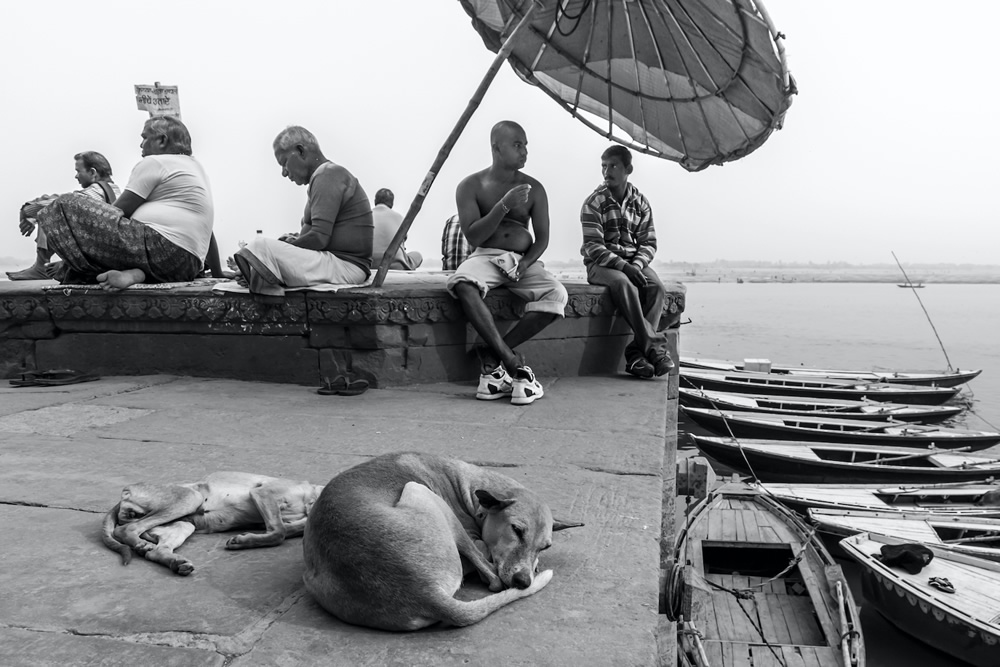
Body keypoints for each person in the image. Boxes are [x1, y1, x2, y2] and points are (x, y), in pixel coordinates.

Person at [446, 121, 567, 405]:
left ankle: (492, 352)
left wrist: (525, 264)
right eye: (517, 145)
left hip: (521, 261)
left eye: (525, 145)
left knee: (557, 295)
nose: (524, 151)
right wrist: (504, 204)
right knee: (463, 285)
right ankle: (510, 361)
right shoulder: (470, 186)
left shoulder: (534, 188)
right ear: (496, 148)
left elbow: (543, 238)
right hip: (486, 255)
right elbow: (474, 234)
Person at [37, 116, 214, 289]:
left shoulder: (156, 162)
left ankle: (58, 266)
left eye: (144, 138)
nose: (141, 144)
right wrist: (218, 271)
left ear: (162, 140)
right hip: (186, 266)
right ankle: (137, 274)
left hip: (160, 250)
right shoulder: (195, 168)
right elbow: (208, 232)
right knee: (76, 270)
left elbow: (118, 213)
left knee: (64, 203)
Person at [233, 126, 373, 296]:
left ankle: (260, 272)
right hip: (337, 264)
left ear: (300, 151)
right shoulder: (325, 175)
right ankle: (259, 271)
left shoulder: (327, 175)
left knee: (260, 245)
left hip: (345, 267)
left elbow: (319, 238)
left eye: (284, 163)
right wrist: (296, 240)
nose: (284, 173)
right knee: (264, 250)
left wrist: (289, 247)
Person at [580, 145, 672, 379]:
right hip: (601, 265)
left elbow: (649, 242)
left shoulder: (641, 202)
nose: (606, 171)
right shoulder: (594, 202)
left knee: (656, 288)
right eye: (603, 166)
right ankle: (654, 346)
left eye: (613, 166)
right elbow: (593, 246)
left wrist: (637, 266)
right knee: (623, 284)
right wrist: (624, 267)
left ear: (628, 169)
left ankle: (636, 354)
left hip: (634, 262)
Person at [7, 152, 121, 281]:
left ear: (93, 172)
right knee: (52, 206)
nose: (76, 176)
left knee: (52, 210)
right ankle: (45, 266)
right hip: (106, 251)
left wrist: (25, 211)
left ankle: (41, 266)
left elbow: (61, 203)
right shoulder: (116, 191)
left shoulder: (95, 191)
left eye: (78, 171)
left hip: (96, 256)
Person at [371, 188, 423, 271]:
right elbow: (403, 241)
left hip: (369, 264)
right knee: (417, 255)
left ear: (375, 201)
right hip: (396, 264)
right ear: (392, 203)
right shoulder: (399, 217)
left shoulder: (366, 216)